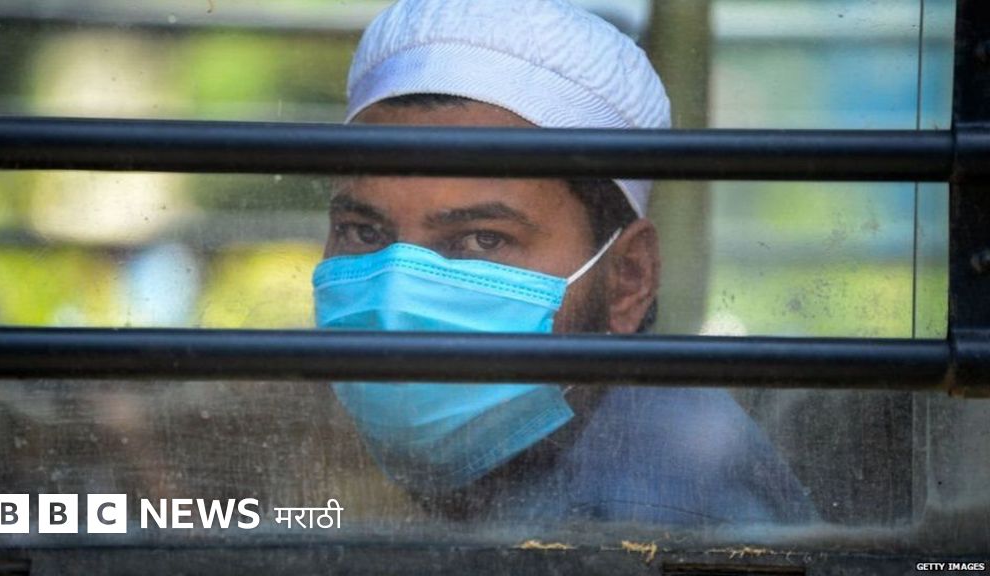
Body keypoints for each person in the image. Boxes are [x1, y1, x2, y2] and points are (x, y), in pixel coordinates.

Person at [312, 0, 815, 525]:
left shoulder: (660, 511)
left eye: (484, 239)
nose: (397, 297)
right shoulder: (530, 474)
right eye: (363, 232)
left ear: (629, 278)